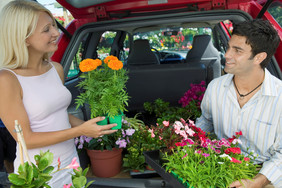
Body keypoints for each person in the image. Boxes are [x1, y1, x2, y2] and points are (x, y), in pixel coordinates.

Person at [0, 0, 117, 187]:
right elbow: (26, 139)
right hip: (39, 173)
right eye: (46, 29)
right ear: (24, 37)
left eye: (54, 26)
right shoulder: (7, 79)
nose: (56, 33)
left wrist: (91, 128)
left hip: (69, 161)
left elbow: (58, 115)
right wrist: (80, 131)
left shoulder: (56, 69)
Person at [196, 19, 281, 187]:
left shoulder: (279, 97)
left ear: (259, 57)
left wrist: (257, 181)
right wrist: (191, 142)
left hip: (266, 177)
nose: (227, 54)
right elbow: (206, 121)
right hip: (221, 170)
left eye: (237, 50)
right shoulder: (215, 88)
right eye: (228, 47)